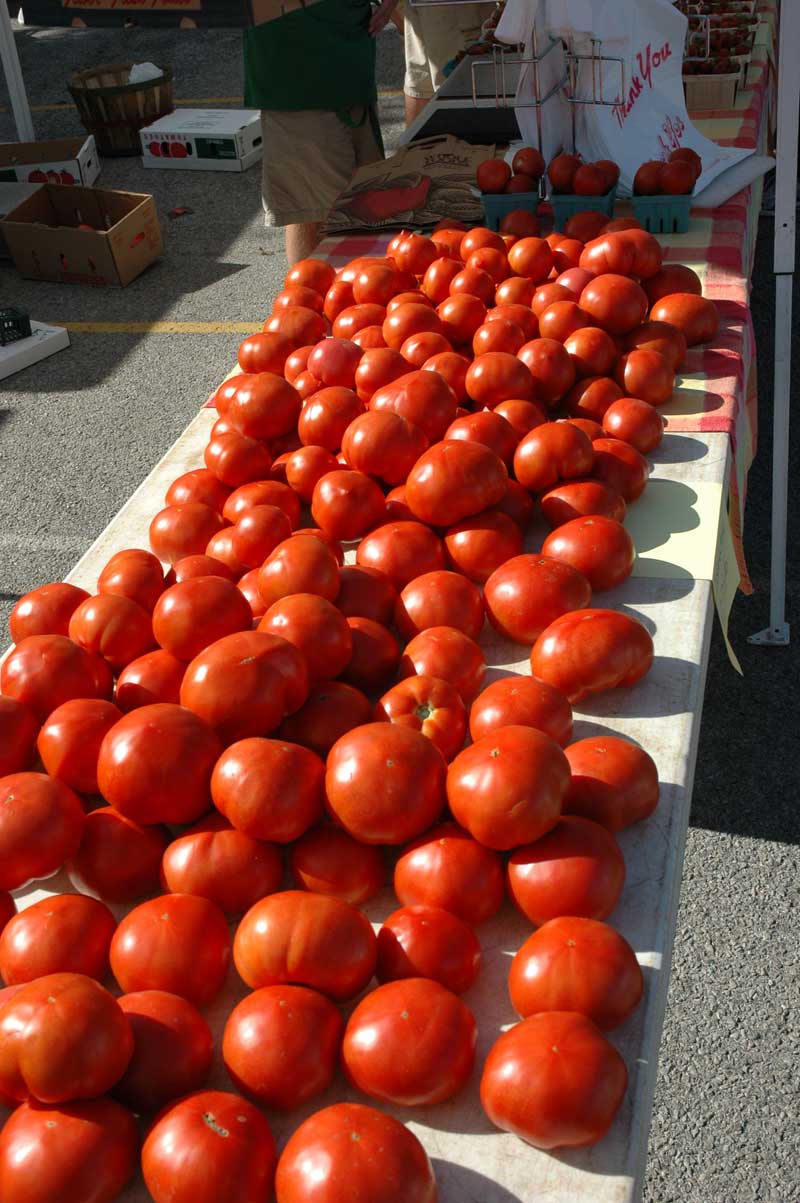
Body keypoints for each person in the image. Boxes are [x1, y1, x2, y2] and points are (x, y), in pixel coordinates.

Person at [244, 0, 399, 266]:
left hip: (349, 62)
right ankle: (308, 302)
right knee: (314, 211)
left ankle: (322, 299)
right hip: (296, 79)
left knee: (361, 211)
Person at [402, 1, 495, 127]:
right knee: (458, 91)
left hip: (432, 7)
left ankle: (416, 145)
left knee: (423, 82)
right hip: (455, 8)